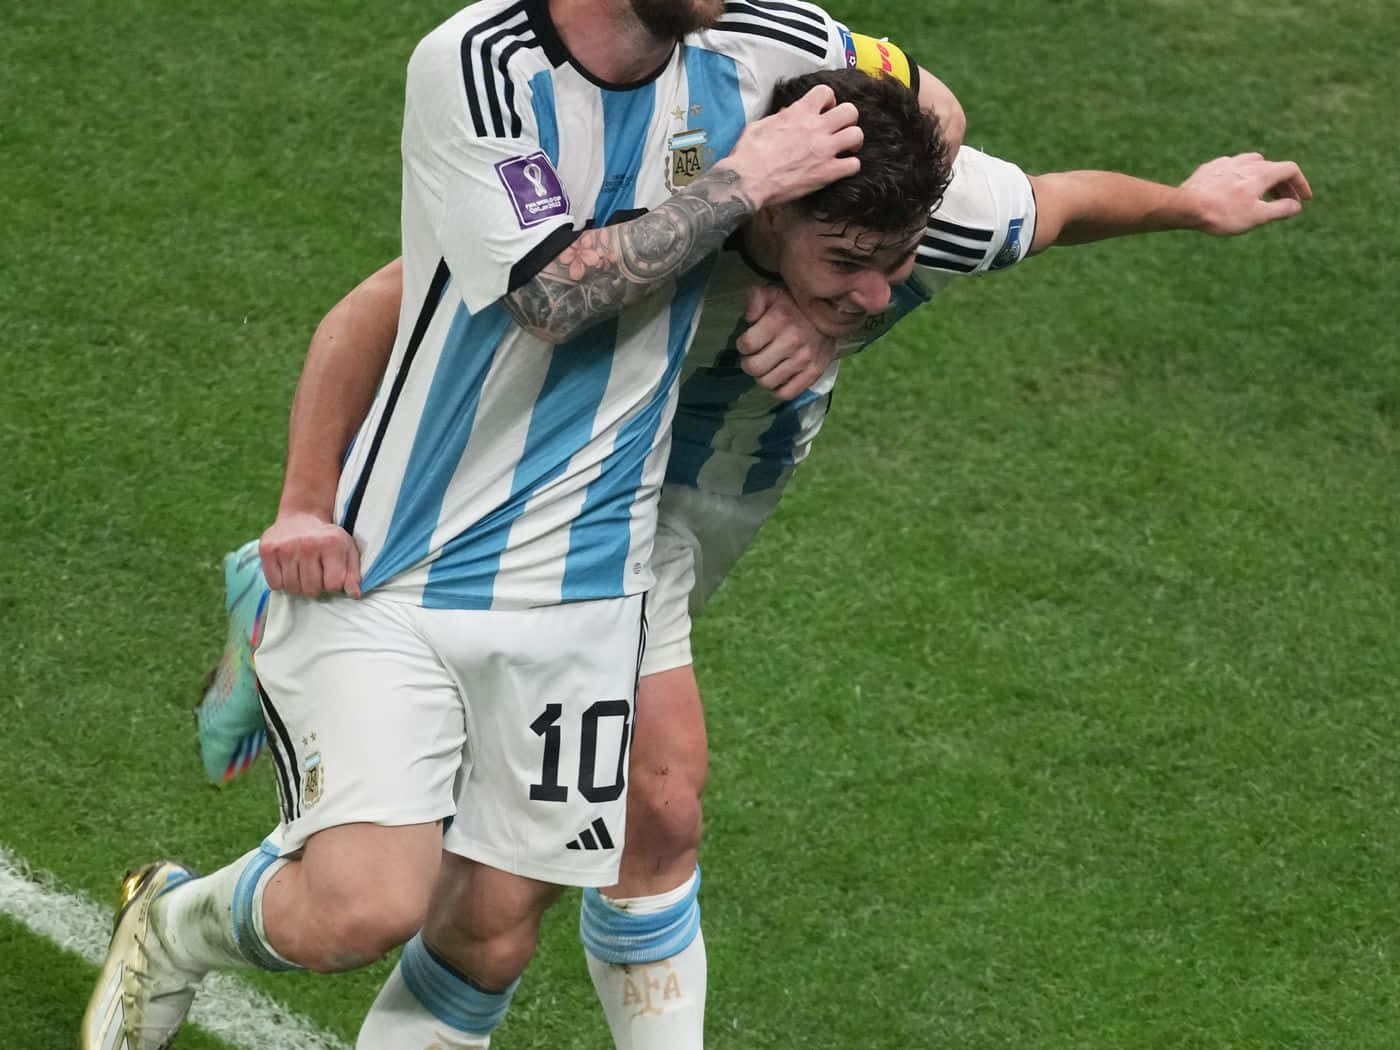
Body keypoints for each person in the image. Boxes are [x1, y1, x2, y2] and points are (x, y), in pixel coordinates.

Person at [193, 67, 1311, 1050]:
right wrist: (304, 503)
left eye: (899, 261)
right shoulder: (641, 214)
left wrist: (1189, 203)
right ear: (767, 211)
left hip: (684, 516)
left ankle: (271, 739)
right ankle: (291, 619)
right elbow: (384, 308)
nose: (882, 283)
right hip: (558, 521)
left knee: (548, 855)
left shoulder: (914, 208)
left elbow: (1056, 206)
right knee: (622, 817)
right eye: (847, 262)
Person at [81, 4, 962, 1050]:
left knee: (495, 931)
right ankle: (170, 926)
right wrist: (747, 179)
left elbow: (931, 116)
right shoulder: (480, 65)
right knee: (363, 908)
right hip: (399, 561)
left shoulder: (764, 41)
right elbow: (546, 296)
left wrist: (818, 311)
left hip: (587, 595)